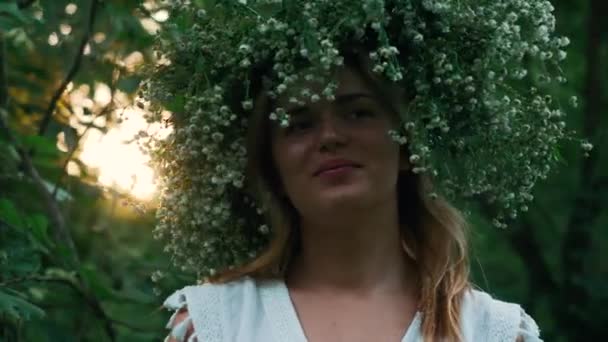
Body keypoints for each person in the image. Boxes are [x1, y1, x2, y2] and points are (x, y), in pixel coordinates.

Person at [142, 1, 578, 341]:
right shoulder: (214, 325)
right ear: (272, 163)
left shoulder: (493, 332)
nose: (329, 136)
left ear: (406, 145)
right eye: (300, 124)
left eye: (358, 113)